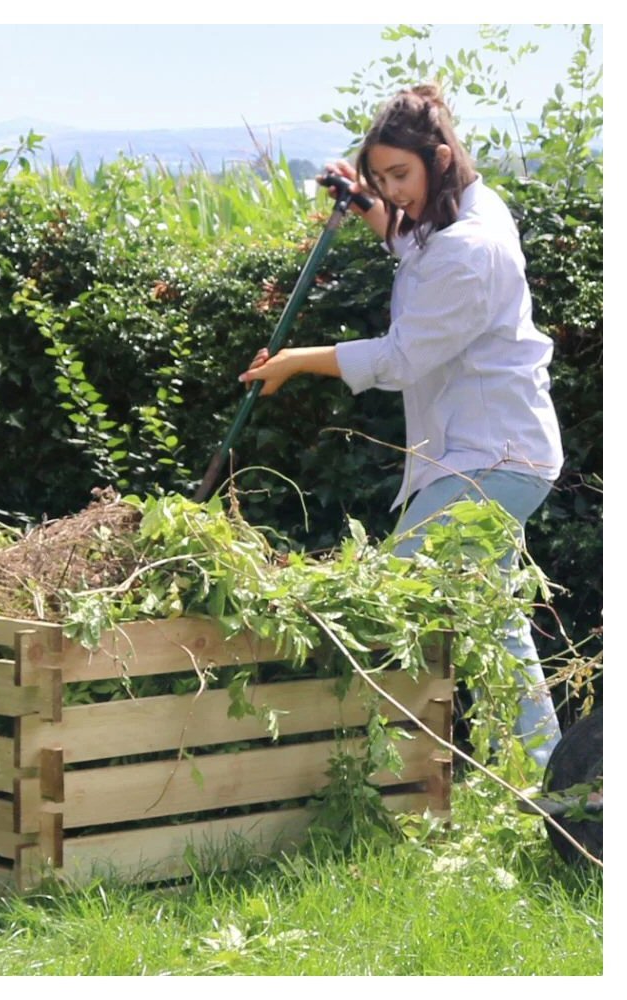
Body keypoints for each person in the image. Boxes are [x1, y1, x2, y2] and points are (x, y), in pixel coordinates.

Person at [238, 84, 563, 768]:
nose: (393, 192)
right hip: (502, 452)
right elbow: (412, 247)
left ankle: (372, 768)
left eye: (400, 176)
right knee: (496, 618)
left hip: (493, 458)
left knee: (392, 589)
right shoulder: (463, 210)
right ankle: (551, 782)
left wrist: (298, 361)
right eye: (381, 178)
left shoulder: (471, 246)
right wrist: (367, 206)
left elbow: (401, 356)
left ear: (440, 159)